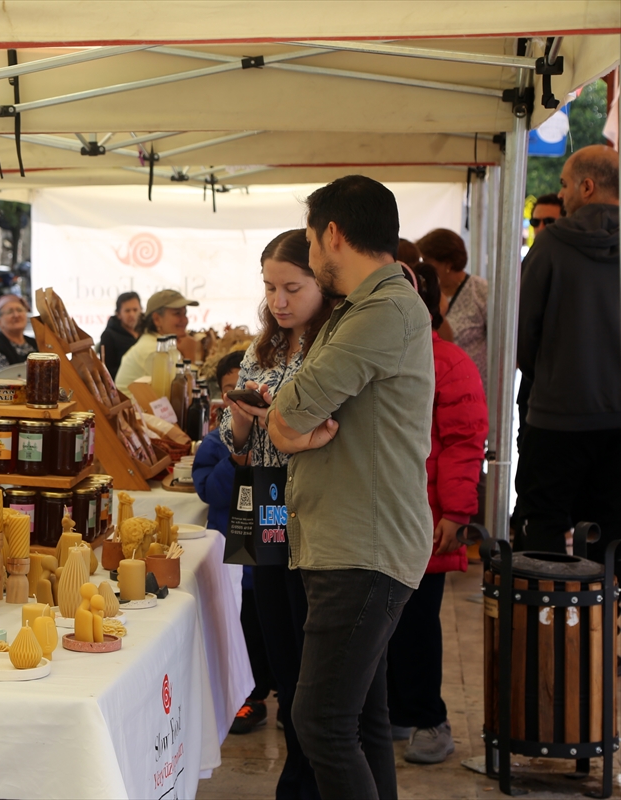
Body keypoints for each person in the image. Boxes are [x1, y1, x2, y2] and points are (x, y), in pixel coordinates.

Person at [248, 176, 432, 800]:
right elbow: (289, 411)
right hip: (351, 541)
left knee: (321, 722)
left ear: (331, 234)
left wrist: (285, 423)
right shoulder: (367, 307)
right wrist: (285, 421)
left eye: (308, 241)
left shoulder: (383, 310)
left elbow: (293, 407)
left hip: (362, 547)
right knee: (359, 720)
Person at [221, 229, 337, 799]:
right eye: (270, 287)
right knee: (273, 631)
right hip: (262, 496)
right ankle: (296, 771)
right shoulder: (262, 348)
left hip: (310, 502)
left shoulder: (334, 345)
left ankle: (309, 774)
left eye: (292, 287)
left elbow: (328, 430)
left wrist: (274, 421)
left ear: (322, 282)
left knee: (308, 636)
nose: (278, 301)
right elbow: (234, 444)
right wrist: (242, 419)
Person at [386, 262, 487, 765]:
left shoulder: (449, 362)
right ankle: (397, 713)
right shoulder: (378, 355)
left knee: (417, 624)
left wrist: (456, 512)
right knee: (385, 624)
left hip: (426, 522)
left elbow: (465, 444)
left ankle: (430, 718)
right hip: (382, 519)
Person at [514, 145, 620, 561]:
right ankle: (603, 623)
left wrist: (548, 375)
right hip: (617, 419)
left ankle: (551, 622)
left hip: (557, 416)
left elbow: (523, 334)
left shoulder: (552, 245)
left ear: (587, 186)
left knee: (543, 525)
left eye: (564, 185)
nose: (562, 195)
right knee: (612, 532)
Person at [194, 349, 278, 736]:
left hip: (273, 551)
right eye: (231, 394)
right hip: (235, 557)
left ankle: (286, 697)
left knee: (271, 626)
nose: (240, 403)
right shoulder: (215, 445)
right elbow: (209, 491)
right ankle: (251, 697)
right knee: (241, 627)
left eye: (248, 393)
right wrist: (236, 462)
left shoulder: (281, 441)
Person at [516, 193, 566, 450]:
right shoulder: (527, 262)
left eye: (550, 221)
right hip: (533, 382)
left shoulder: (568, 263)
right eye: (536, 222)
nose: (541, 228)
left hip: (561, 390)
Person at [417, 228, 488, 389]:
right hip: (434, 385)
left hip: (471, 387)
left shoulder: (480, 291)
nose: (423, 266)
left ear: (447, 264)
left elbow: (501, 343)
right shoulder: (426, 291)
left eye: (427, 260)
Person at [114, 289, 200, 396]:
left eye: (185, 313)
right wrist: (189, 355)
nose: (185, 320)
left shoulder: (161, 345)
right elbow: (181, 394)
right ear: (157, 319)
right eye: (177, 313)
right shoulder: (154, 351)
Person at [0, 294, 37, 378]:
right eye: (9, 312)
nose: (16, 315)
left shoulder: (35, 343)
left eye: (20, 310)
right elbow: (2, 386)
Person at [98, 291, 142, 377]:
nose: (132, 314)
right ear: (118, 314)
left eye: (135, 310)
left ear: (141, 310)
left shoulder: (148, 331)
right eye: (127, 311)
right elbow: (108, 371)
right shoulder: (108, 336)